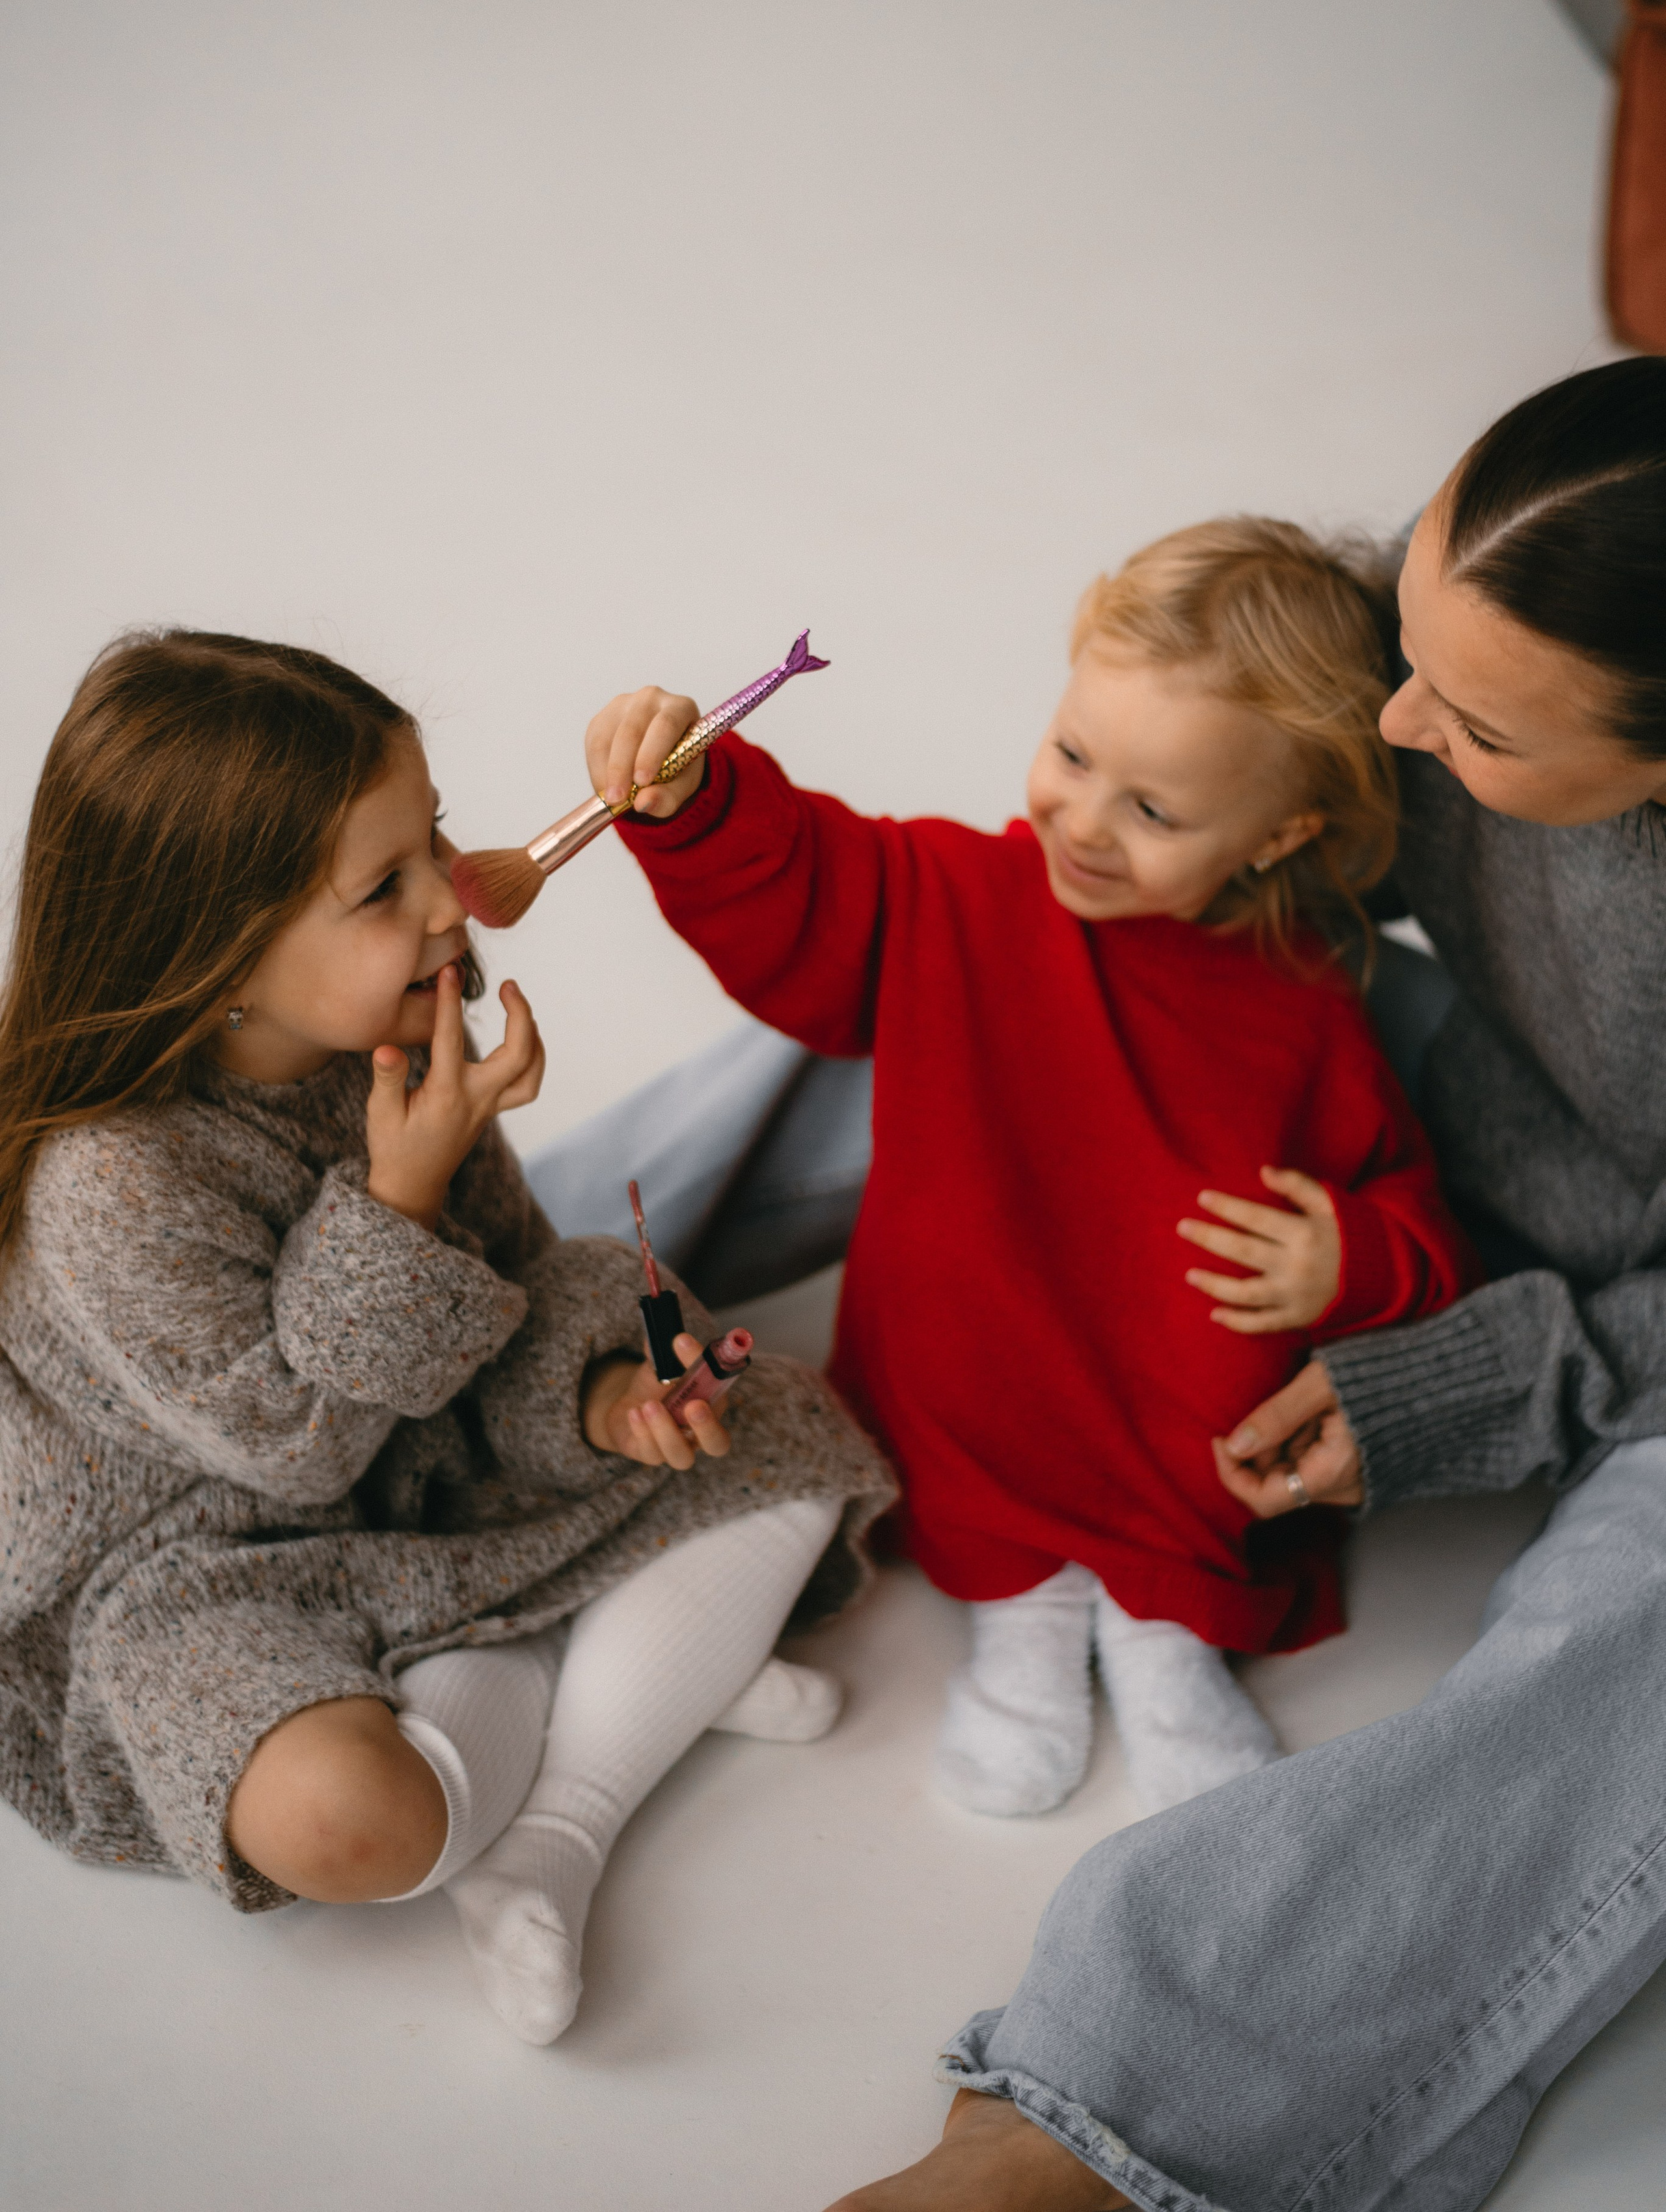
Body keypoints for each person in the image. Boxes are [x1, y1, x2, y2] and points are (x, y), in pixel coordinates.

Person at [813, 355, 1666, 2210]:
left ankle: (1112, 2120)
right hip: (1475, 1111)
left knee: (1630, 1650)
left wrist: (1451, 1370)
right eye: (1408, 642)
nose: (1402, 721)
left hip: (1631, 1317)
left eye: (1483, 730)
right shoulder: (1444, 654)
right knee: (984, 948)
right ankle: (443, 1238)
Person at [0, 630, 893, 2049]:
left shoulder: (403, 1040)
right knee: (342, 1819)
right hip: (195, 1568)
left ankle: (560, 1818)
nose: (454, 897)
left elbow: (518, 1302)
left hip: (428, 1480)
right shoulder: (113, 1182)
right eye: (385, 887)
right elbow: (295, 1456)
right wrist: (402, 1188)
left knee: (794, 1441)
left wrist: (605, 1405)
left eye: (434, 837)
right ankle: (611, 1673)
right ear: (215, 955)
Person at [583, 521, 1475, 1822]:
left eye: (1154, 808)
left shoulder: (1304, 1003)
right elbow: (807, 899)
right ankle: (1025, 1617)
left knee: (1216, 1436)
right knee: (965, 1398)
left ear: (1278, 837)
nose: (1084, 821)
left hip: (1169, 1409)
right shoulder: (956, 890)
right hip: (980, 1360)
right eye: (1070, 753)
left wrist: (1349, 1252)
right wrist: (700, 799)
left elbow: (1417, 1219)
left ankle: (1162, 1631)